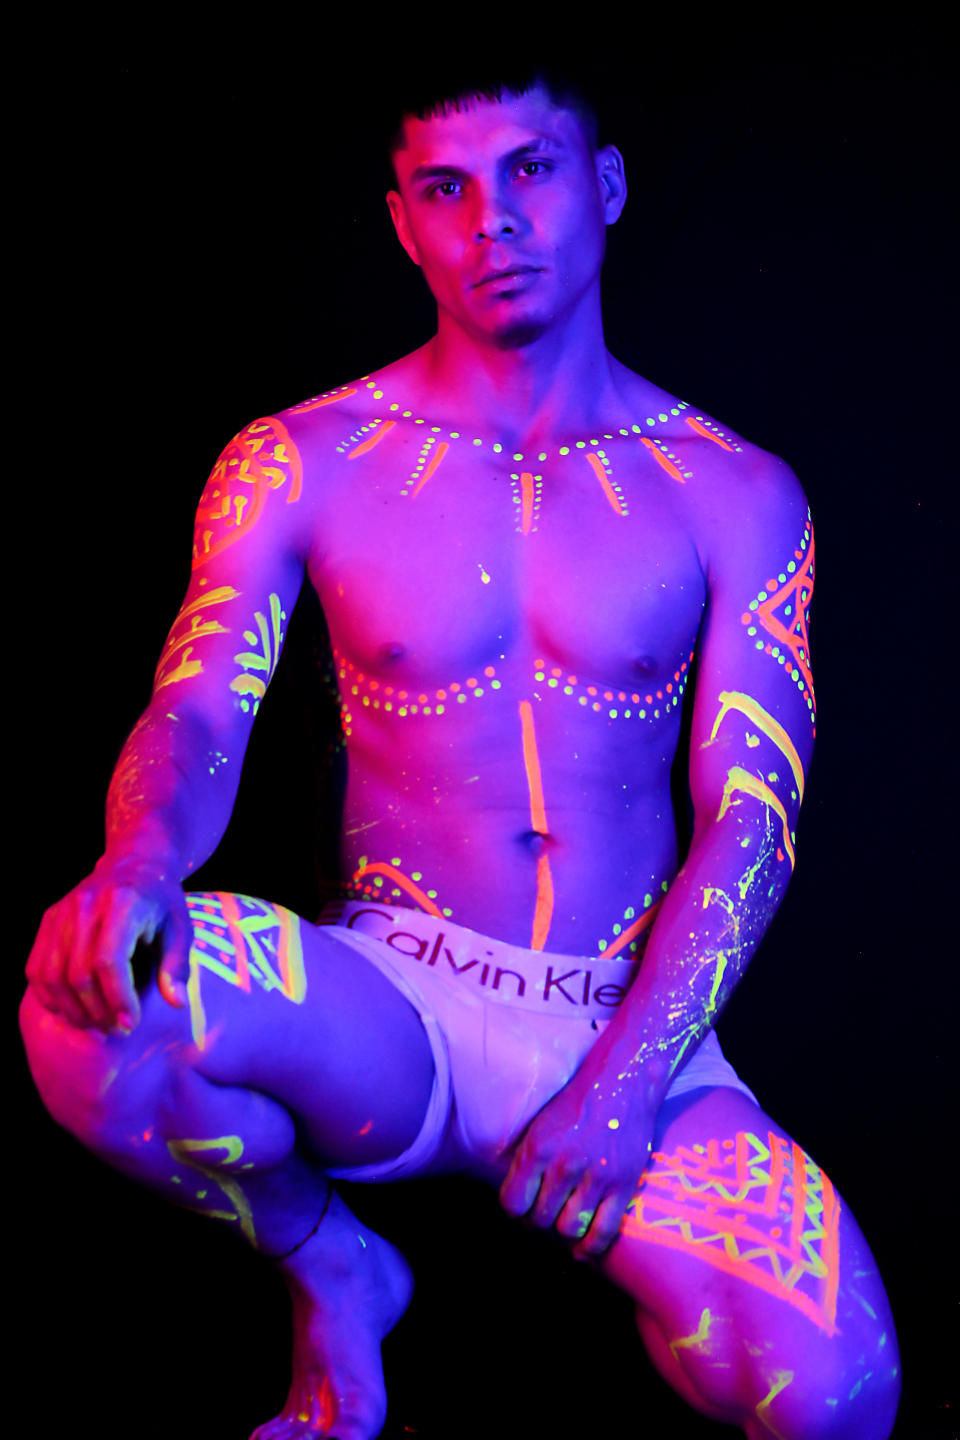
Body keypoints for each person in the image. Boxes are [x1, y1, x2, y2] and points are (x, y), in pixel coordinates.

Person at [20, 61, 901, 1440]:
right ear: (402, 222)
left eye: (529, 169)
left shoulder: (734, 491)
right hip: (393, 1005)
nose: (492, 219)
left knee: (835, 1398)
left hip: (632, 1019)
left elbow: (754, 818)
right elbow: (198, 708)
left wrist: (624, 1084)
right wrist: (135, 862)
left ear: (604, 187)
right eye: (447, 187)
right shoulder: (297, 458)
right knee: (88, 1005)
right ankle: (338, 1265)